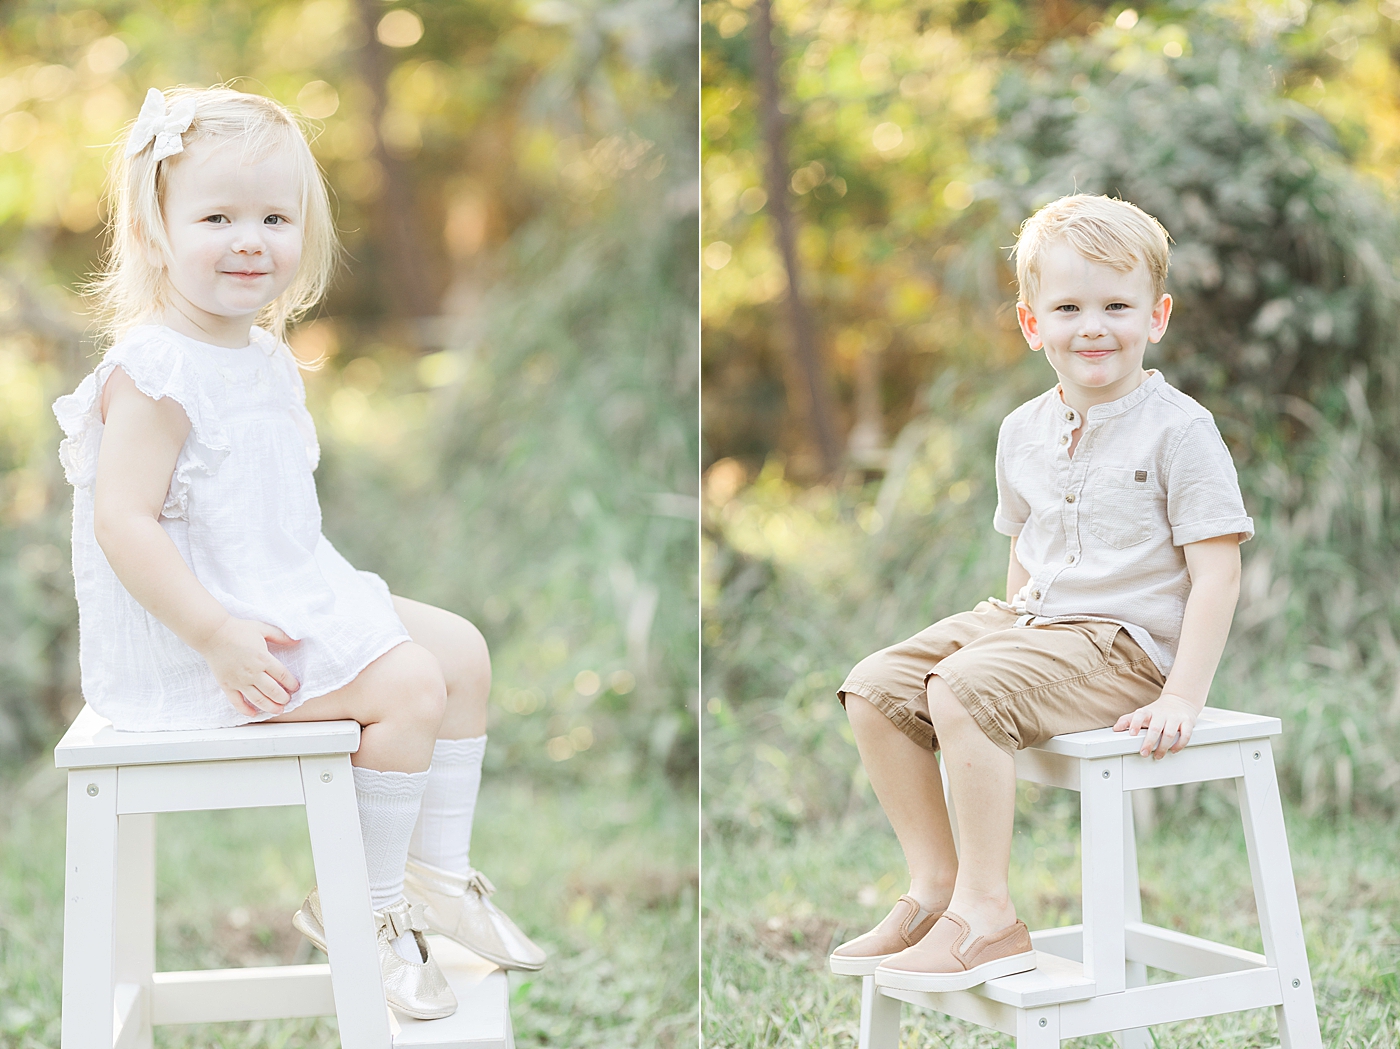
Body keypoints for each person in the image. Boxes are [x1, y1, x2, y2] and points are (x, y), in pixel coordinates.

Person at [52, 86, 545, 1020]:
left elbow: (267, 525)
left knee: (463, 652)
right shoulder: (155, 371)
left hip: (279, 597)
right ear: (156, 231)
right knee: (409, 687)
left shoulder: (265, 354)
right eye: (218, 217)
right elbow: (125, 522)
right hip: (198, 643)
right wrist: (215, 633)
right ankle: (364, 908)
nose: (251, 239)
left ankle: (436, 876)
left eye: (275, 217)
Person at [827, 193, 1252, 992]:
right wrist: (1008, 638)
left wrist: (1183, 694)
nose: (1093, 326)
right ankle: (936, 891)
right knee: (877, 685)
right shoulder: (1021, 429)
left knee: (962, 689)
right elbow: (1025, 546)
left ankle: (989, 918)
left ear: (1156, 316)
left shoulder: (1180, 429)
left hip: (1126, 648)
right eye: (1068, 307)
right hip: (1036, 623)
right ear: (1032, 324)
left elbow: (1218, 571)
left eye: (1116, 306)